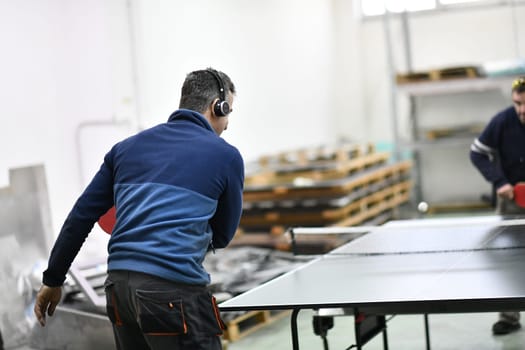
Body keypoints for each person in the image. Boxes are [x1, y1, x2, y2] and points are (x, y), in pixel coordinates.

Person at [33, 68, 244, 350]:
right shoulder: (226, 156)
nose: (227, 124)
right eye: (228, 112)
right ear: (218, 107)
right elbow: (223, 235)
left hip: (118, 291)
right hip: (172, 295)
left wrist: (53, 279)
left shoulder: (125, 149)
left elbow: (81, 215)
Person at [470, 76, 525, 336]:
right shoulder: (502, 121)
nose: (522, 110)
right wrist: (499, 181)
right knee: (509, 262)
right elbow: (477, 152)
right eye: (517, 104)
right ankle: (509, 318)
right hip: (511, 203)